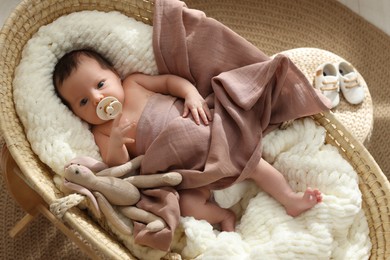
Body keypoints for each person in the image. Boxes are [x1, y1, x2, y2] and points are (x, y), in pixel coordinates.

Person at [53, 49, 322, 232]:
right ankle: (223, 217)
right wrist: (116, 142)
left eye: (100, 85)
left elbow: (170, 83)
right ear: (75, 112)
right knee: (185, 205)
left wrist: (192, 94)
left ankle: (290, 199)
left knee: (253, 164)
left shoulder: (134, 84)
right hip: (182, 170)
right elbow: (119, 165)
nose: (98, 99)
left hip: (204, 133)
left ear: (114, 73)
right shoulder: (100, 132)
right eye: (84, 101)